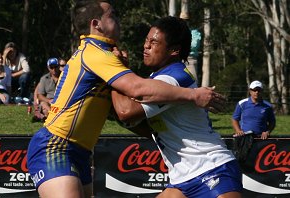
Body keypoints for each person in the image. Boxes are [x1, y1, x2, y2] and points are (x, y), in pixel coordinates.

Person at [27, 1, 226, 198]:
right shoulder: (96, 53)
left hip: (78, 151)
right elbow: (137, 90)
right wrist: (193, 95)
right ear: (96, 24)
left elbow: (124, 109)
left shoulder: (102, 55)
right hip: (55, 145)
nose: (118, 19)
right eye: (112, 15)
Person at [111, 16, 243, 198]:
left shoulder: (173, 78)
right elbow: (151, 129)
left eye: (154, 42)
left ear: (174, 50)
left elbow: (126, 111)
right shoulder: (158, 77)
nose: (146, 46)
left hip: (213, 170)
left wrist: (113, 71)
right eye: (147, 40)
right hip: (182, 179)